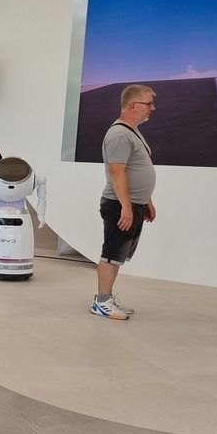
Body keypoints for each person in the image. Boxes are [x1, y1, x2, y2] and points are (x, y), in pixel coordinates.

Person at [92, 84, 158, 320]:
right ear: (133, 105)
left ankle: (107, 298)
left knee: (118, 255)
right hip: (119, 205)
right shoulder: (119, 134)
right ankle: (101, 302)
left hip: (132, 205)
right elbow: (117, 172)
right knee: (111, 253)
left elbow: (134, 170)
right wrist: (127, 207)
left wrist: (146, 201)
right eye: (149, 103)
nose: (152, 108)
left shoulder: (132, 131)